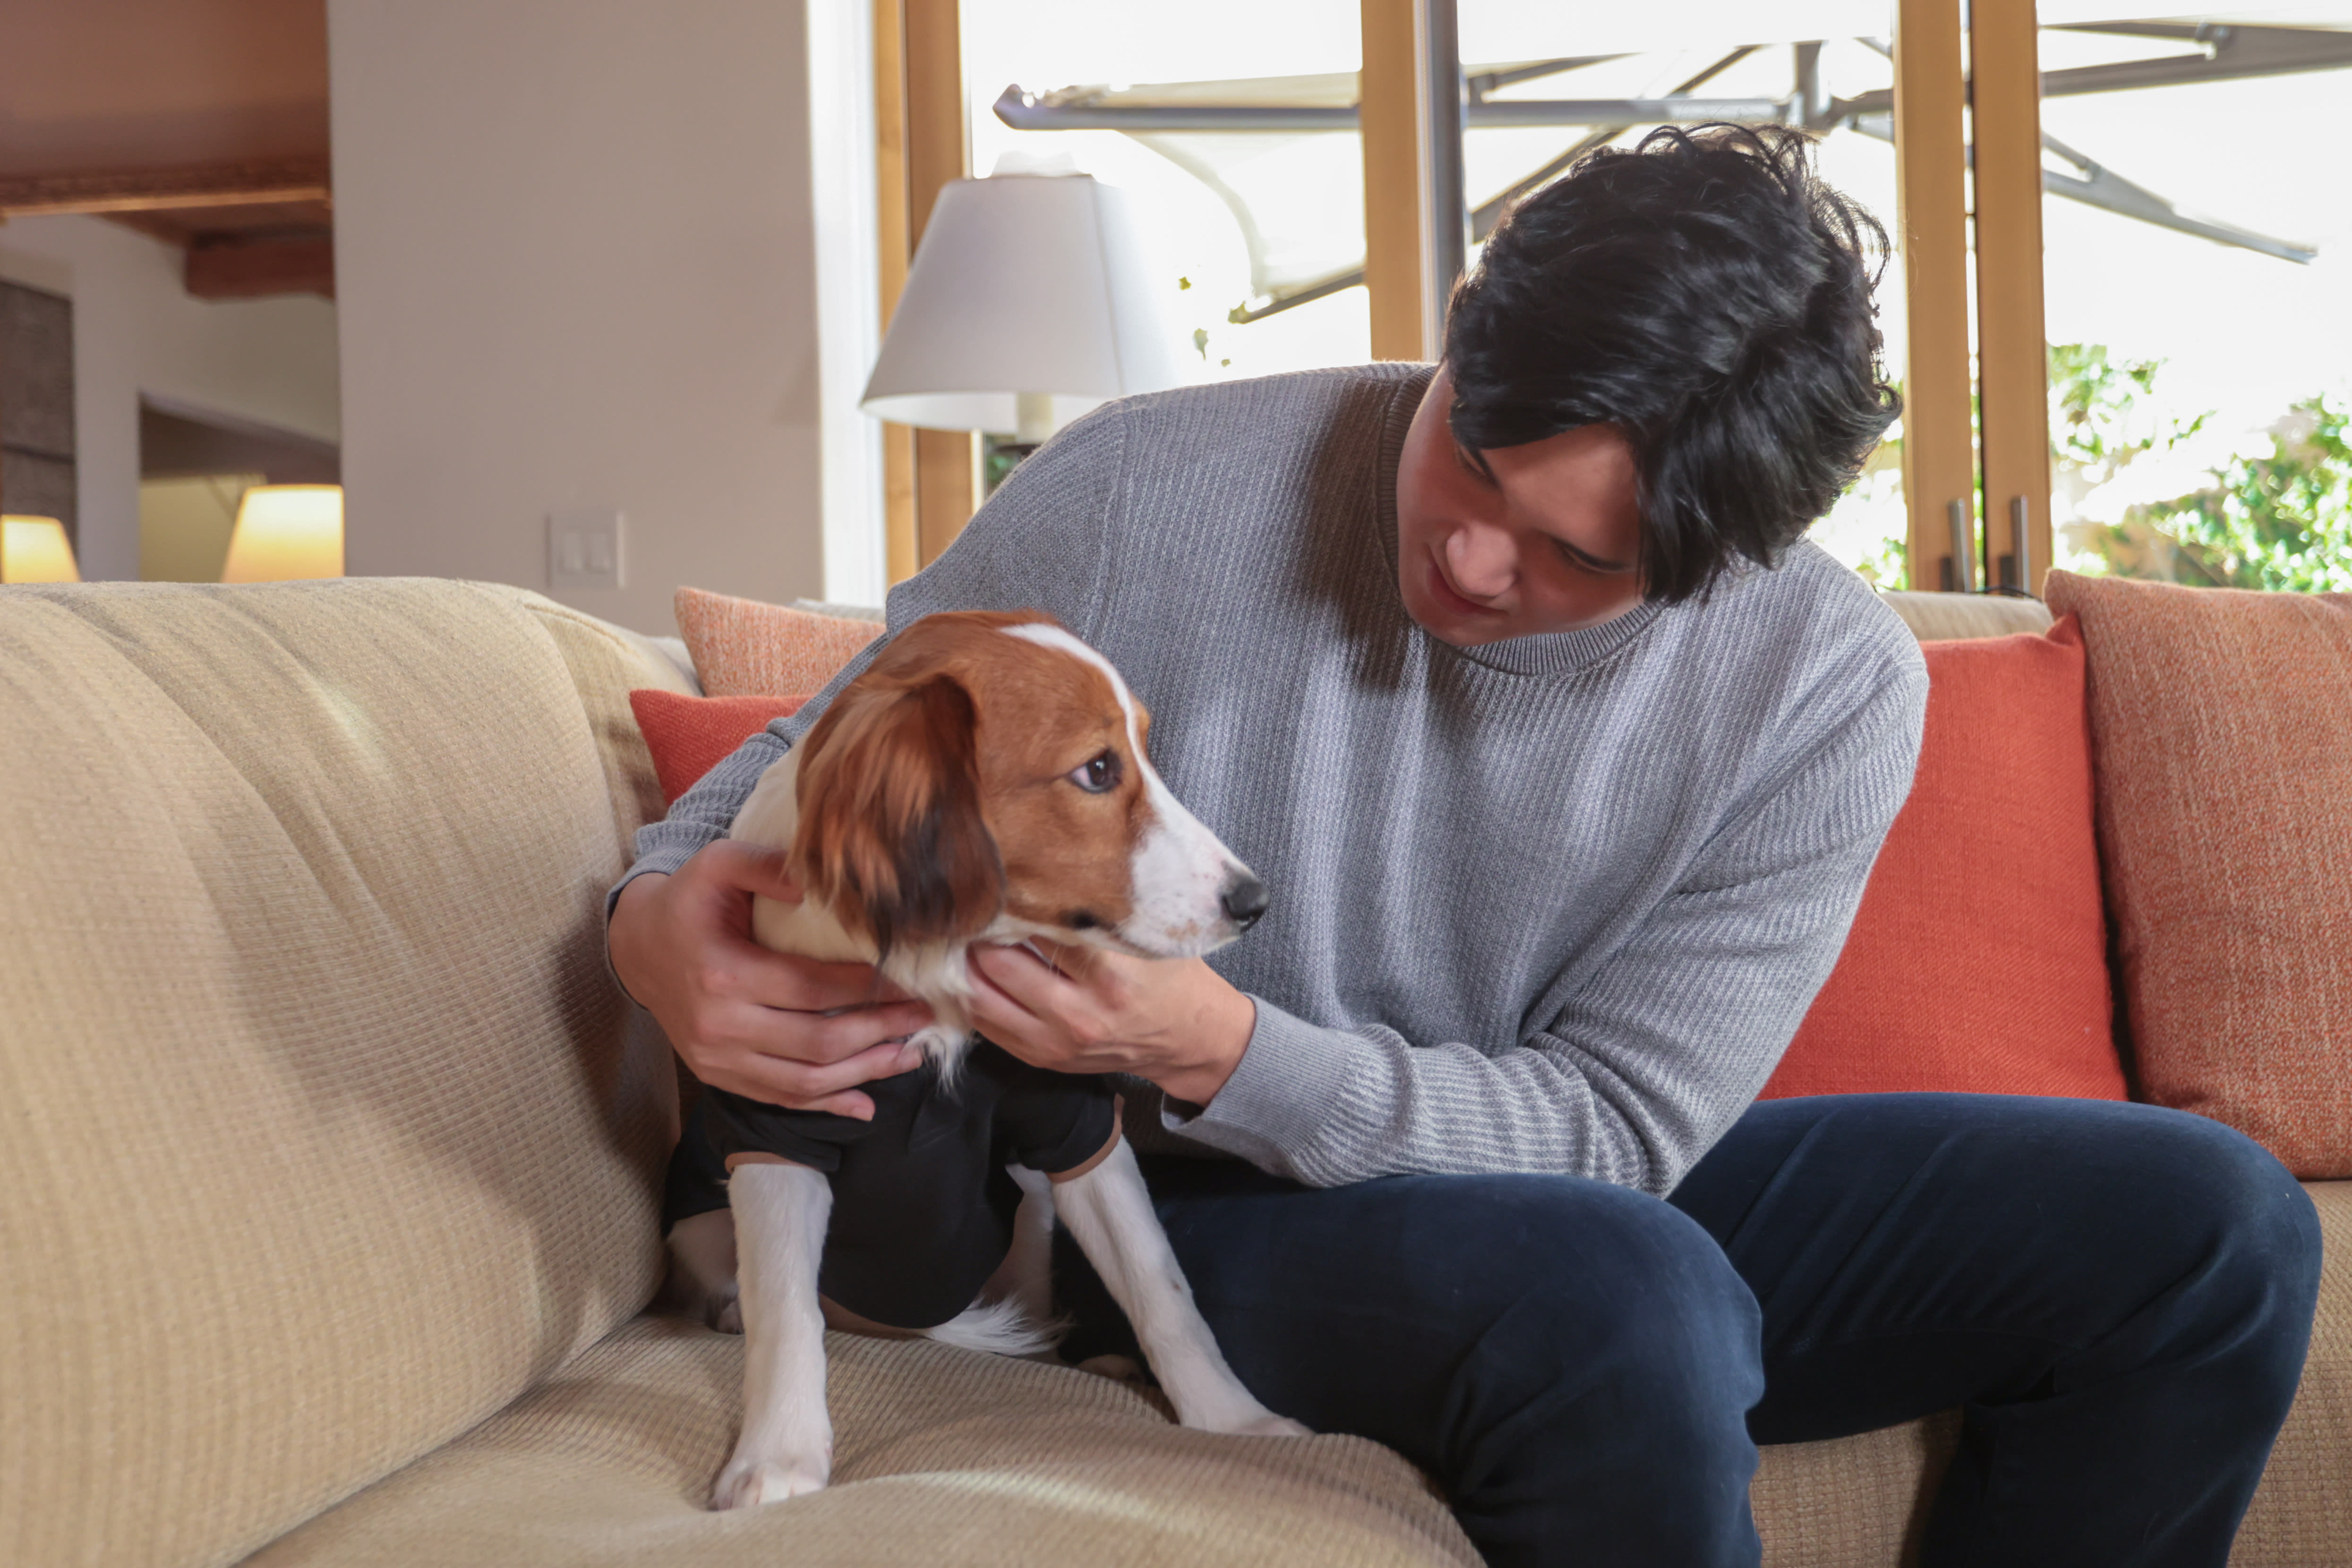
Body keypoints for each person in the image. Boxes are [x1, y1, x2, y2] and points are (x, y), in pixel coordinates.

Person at [607, 127, 2319, 1567]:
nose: (1481, 568)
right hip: (1161, 1193)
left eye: (1578, 562)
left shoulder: (1822, 683)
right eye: (1475, 467)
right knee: (1628, 1307)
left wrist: (1232, 1047)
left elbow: (1626, 1131)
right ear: (1461, 327)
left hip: (1537, 1158)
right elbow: (807, 756)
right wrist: (651, 925)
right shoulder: (1140, 488)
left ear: (1721, 562)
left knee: (2211, 1228)